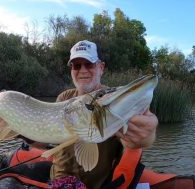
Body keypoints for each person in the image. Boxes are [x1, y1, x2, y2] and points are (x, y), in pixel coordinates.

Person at [49, 40, 158, 189]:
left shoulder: (113, 100)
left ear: (101, 68)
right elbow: (41, 139)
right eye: (77, 65)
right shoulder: (64, 98)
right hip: (58, 182)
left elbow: (137, 140)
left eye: (89, 64)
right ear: (72, 70)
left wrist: (146, 136)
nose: (83, 70)